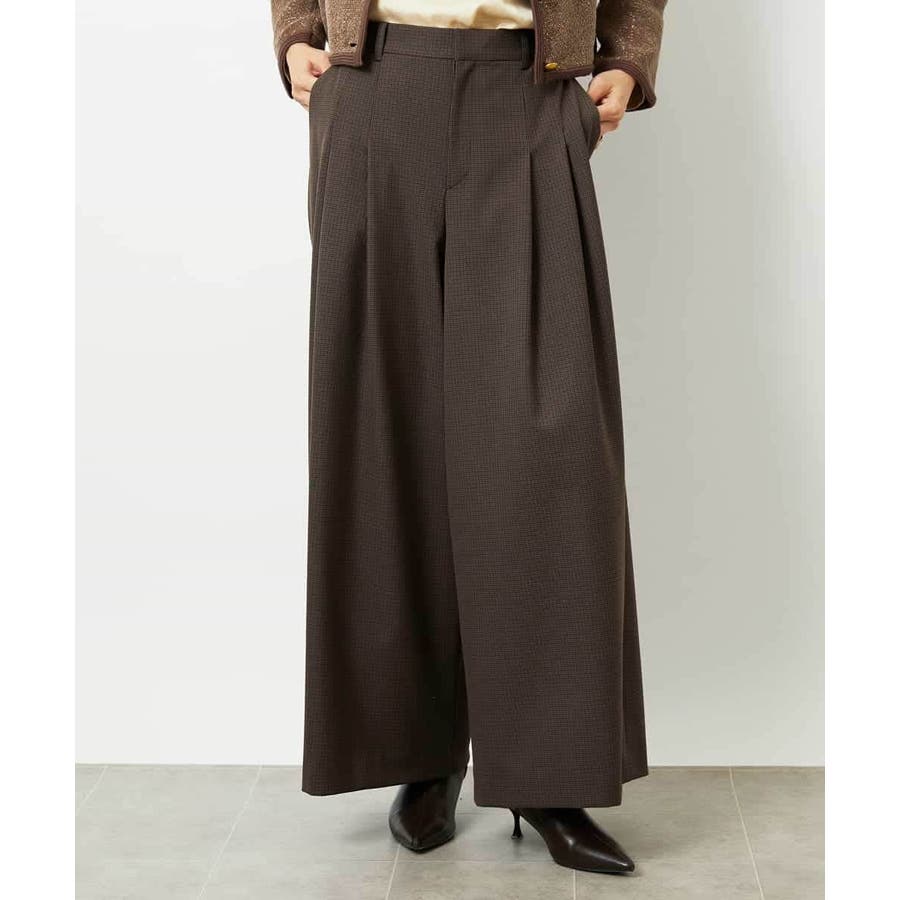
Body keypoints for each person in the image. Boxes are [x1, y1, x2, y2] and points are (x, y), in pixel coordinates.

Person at [269, 0, 666, 875]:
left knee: (548, 451)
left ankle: (549, 775)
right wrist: (295, 34)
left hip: (529, 91)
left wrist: (628, 59)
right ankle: (418, 753)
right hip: (373, 89)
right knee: (384, 435)